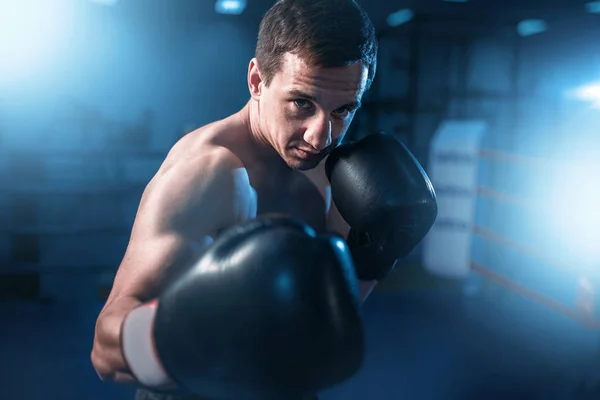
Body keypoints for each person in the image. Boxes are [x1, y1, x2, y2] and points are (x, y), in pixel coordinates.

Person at [90, 0, 437, 399]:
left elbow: (329, 319)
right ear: (257, 81)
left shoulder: (336, 171)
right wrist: (183, 338)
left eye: (343, 110)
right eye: (302, 103)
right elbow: (105, 352)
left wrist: (372, 256)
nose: (320, 137)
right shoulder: (210, 174)